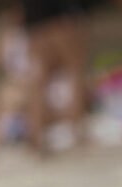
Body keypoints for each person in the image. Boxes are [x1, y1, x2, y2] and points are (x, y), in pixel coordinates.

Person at [18, 0, 91, 153]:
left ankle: (37, 133)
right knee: (74, 70)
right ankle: (77, 129)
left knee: (39, 77)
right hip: (60, 13)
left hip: (34, 16)